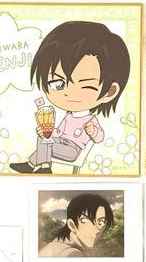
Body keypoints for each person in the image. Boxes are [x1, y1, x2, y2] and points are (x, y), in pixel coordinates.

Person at [11, 21, 131, 173]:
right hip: (60, 143)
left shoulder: (90, 120)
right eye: (58, 83)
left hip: (73, 150)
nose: (68, 93)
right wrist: (48, 133)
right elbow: (59, 133)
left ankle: (42, 167)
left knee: (48, 144)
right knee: (44, 139)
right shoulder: (68, 117)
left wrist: (93, 131)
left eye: (85, 87)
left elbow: (99, 137)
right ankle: (35, 165)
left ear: (109, 92)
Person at [39, 193, 114, 258]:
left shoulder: (56, 245)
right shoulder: (73, 254)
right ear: (72, 225)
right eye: (85, 221)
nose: (96, 230)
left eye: (101, 222)